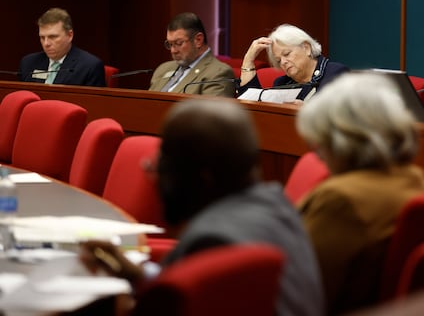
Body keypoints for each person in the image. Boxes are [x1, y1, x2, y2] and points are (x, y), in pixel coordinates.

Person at [79, 98, 324, 316]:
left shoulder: (213, 240)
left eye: (162, 168)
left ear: (203, 177)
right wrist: (139, 275)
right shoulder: (275, 203)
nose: (154, 178)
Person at [295, 72, 424, 314]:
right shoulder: (412, 176)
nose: (317, 155)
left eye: (321, 142)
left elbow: (300, 289)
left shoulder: (340, 200)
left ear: (343, 141)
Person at [237, 23, 350, 102]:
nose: (283, 62)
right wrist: (248, 61)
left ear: (306, 48)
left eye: (286, 54)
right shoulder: (282, 84)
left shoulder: (335, 73)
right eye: (278, 60)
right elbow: (253, 106)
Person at [149, 12, 235, 97]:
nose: (173, 50)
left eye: (178, 43)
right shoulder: (163, 69)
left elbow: (212, 110)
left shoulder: (218, 73)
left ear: (198, 40)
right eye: (170, 44)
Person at [19, 8, 106, 86]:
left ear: (70, 35)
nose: (46, 43)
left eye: (53, 37)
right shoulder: (28, 63)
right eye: (42, 37)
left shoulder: (89, 66)